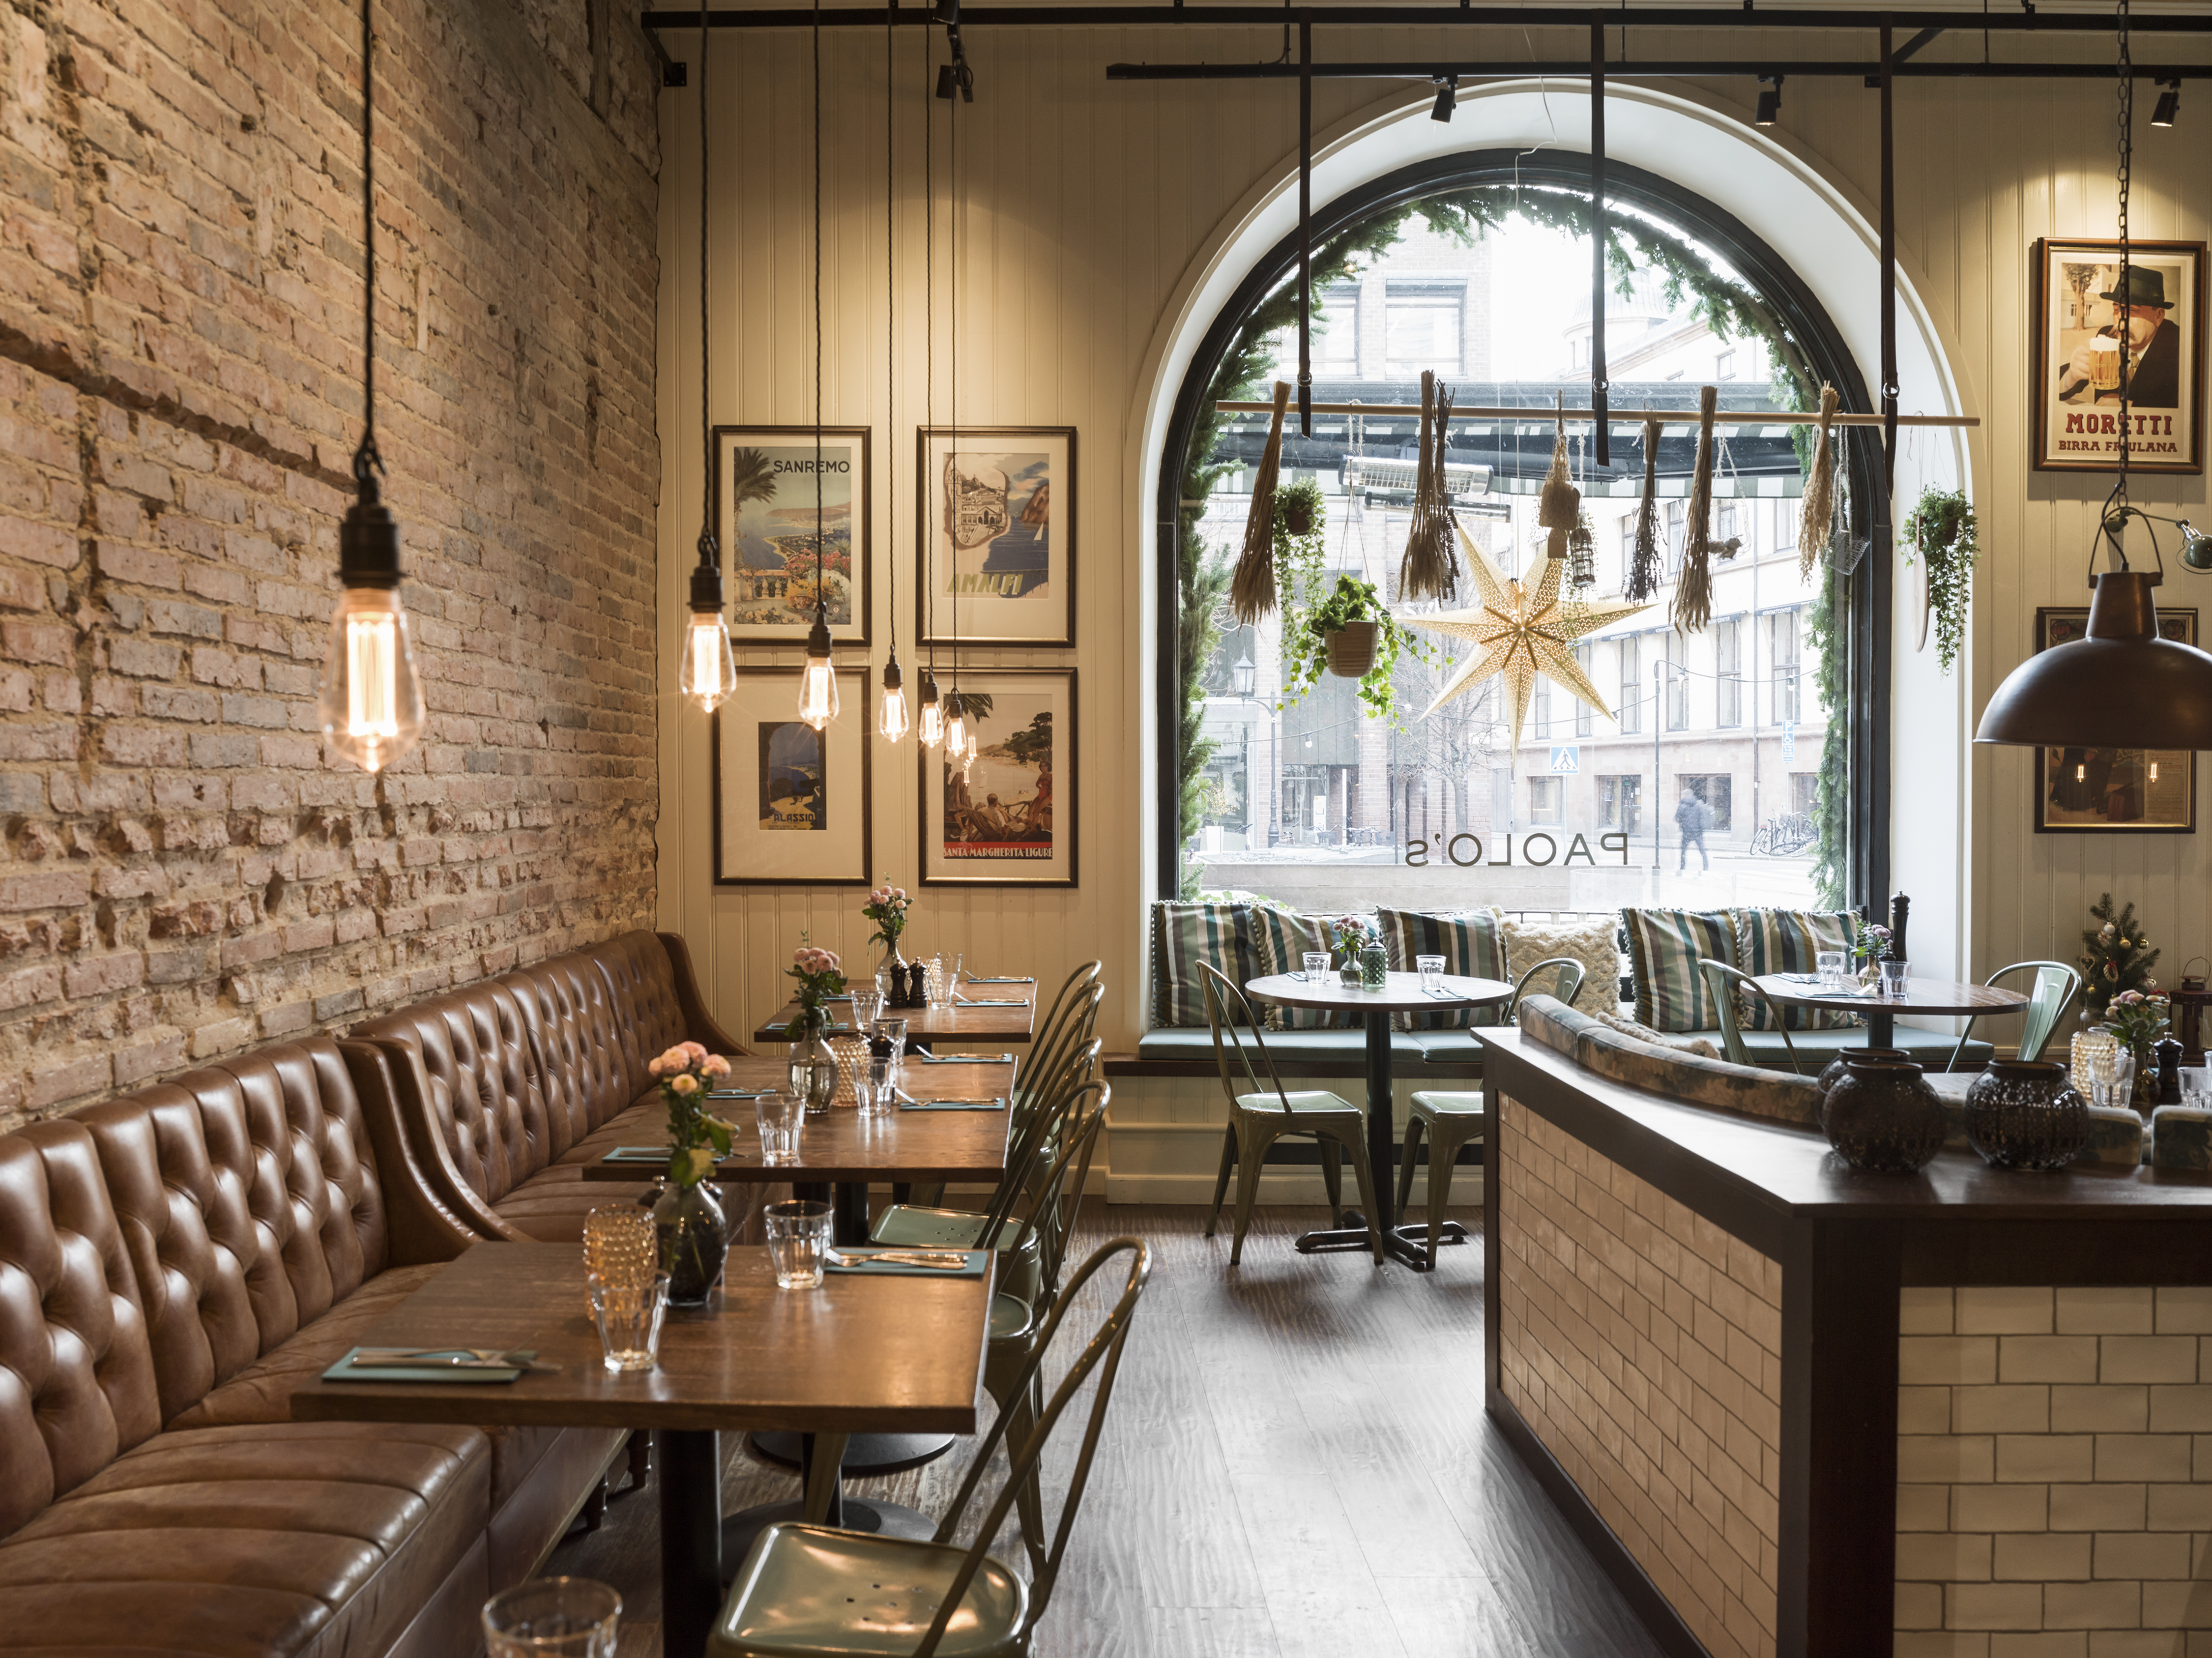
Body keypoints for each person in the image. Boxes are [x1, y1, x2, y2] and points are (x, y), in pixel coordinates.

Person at [2058, 265, 2183, 409]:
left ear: (2158, 316)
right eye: (2117, 309)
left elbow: (2187, 406)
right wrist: (2071, 376)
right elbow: (2050, 391)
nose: (2120, 321)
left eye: (2132, 311)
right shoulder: (2107, 336)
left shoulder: (2178, 343)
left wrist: (2132, 407)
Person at [1675, 787, 1710, 874]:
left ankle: (1683, 867)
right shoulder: (1699, 804)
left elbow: (1677, 819)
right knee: (1702, 850)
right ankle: (1706, 868)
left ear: (1685, 795)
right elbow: (1703, 817)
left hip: (1687, 832)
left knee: (1683, 851)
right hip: (1698, 832)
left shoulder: (1682, 806)